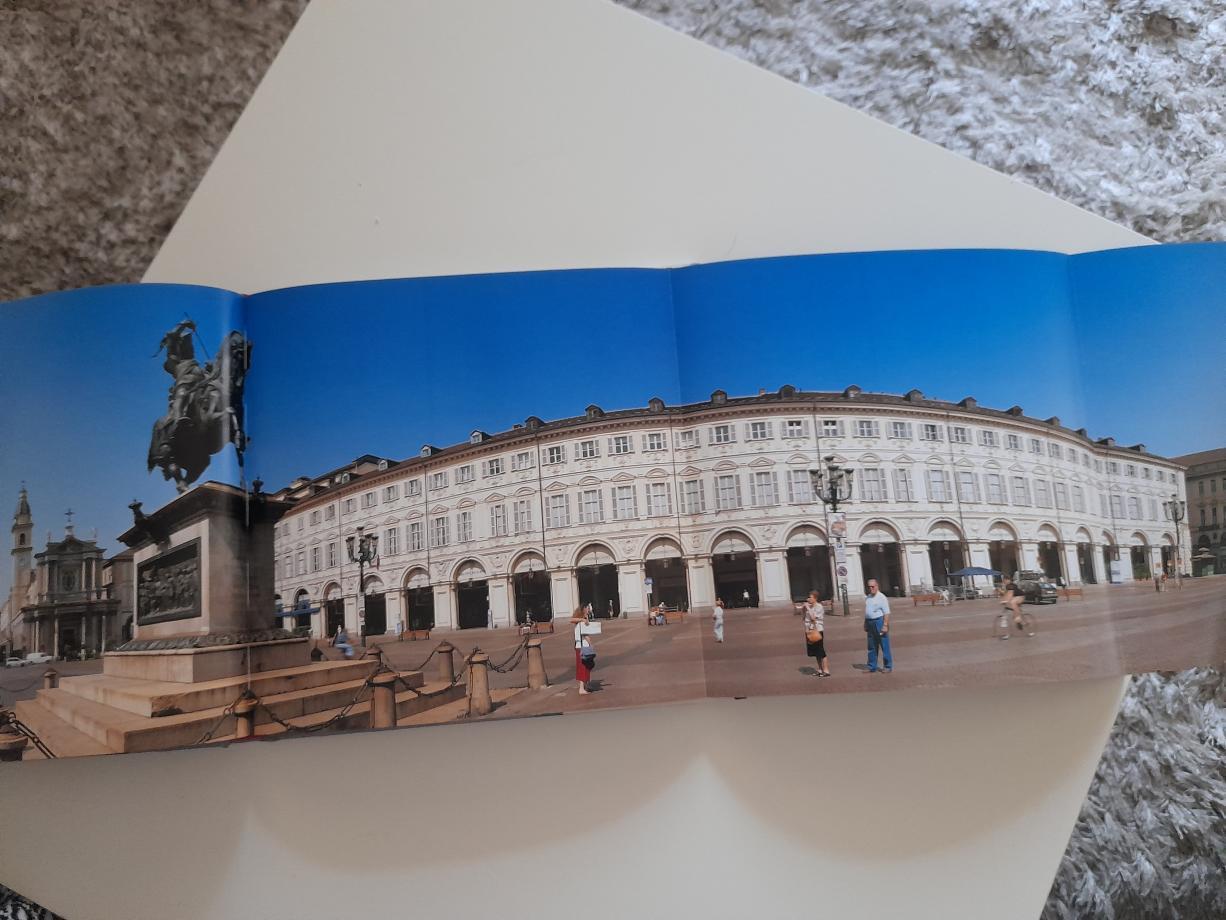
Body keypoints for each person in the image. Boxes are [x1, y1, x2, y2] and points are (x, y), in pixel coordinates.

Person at [864, 579, 892, 673]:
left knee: (884, 645)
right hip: (870, 622)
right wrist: (865, 623)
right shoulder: (868, 597)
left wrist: (885, 625)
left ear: (877, 586)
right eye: (869, 587)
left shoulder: (881, 597)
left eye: (873, 586)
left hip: (879, 621)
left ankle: (887, 666)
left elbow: (886, 612)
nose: (871, 588)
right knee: (871, 646)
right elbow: (867, 612)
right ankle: (872, 666)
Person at [803, 591, 829, 677]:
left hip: (818, 630)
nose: (809, 599)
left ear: (815, 598)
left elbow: (813, 618)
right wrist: (804, 609)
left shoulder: (819, 607)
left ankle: (826, 670)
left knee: (820, 650)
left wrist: (808, 608)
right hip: (810, 630)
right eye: (808, 597)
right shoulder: (809, 607)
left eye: (810, 597)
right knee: (815, 652)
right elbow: (804, 618)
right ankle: (820, 669)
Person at [571, 606, 593, 694]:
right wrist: (591, 644)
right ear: (583, 611)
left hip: (580, 646)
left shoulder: (580, 622)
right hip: (583, 646)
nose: (588, 610)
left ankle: (585, 685)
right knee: (583, 666)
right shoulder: (582, 622)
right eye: (587, 608)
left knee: (585, 666)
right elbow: (585, 635)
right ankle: (581, 688)